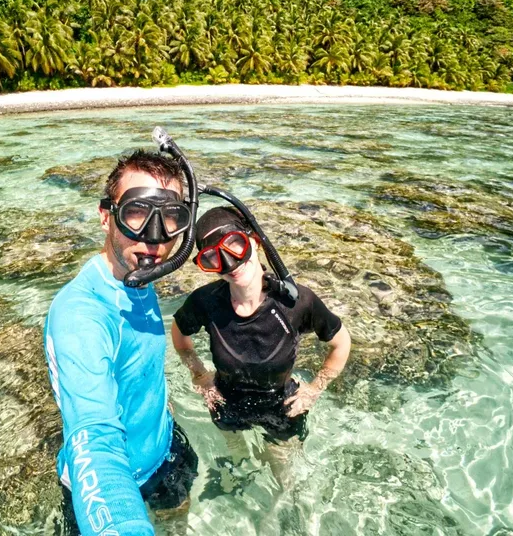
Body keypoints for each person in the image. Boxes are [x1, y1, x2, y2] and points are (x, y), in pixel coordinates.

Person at [44, 150, 198, 536]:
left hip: (164, 447)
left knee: (179, 520)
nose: (154, 235)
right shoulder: (81, 315)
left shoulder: (136, 276)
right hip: (110, 482)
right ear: (105, 216)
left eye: (171, 217)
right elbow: (94, 440)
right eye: (136, 212)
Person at [170, 206, 351, 486]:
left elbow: (341, 343)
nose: (230, 263)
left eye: (235, 244)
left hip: (281, 406)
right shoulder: (205, 302)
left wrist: (315, 389)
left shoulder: (296, 303)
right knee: (238, 461)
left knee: (283, 479)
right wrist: (200, 376)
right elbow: (180, 335)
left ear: (254, 240)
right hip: (225, 403)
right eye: (213, 257)